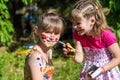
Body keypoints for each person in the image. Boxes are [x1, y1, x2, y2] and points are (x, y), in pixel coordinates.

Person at [63, 0, 120, 80]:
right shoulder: (78, 35)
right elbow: (79, 59)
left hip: (106, 72)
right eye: (73, 23)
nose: (74, 27)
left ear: (92, 21)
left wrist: (101, 69)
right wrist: (71, 53)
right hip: (89, 72)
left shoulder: (106, 35)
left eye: (78, 23)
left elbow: (117, 58)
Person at [24, 8, 65, 80]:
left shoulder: (47, 52)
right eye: (48, 32)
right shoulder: (36, 57)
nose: (52, 37)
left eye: (56, 33)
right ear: (37, 30)